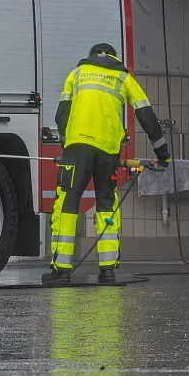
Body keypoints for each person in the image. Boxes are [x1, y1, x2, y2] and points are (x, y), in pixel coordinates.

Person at [43, 43, 170, 285]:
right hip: (107, 152)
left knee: (67, 202)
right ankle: (108, 270)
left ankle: (61, 270)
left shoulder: (77, 74)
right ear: (113, 57)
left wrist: (67, 145)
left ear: (92, 55)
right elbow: (147, 116)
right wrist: (162, 152)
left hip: (77, 148)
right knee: (106, 203)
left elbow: (61, 115)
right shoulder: (124, 77)